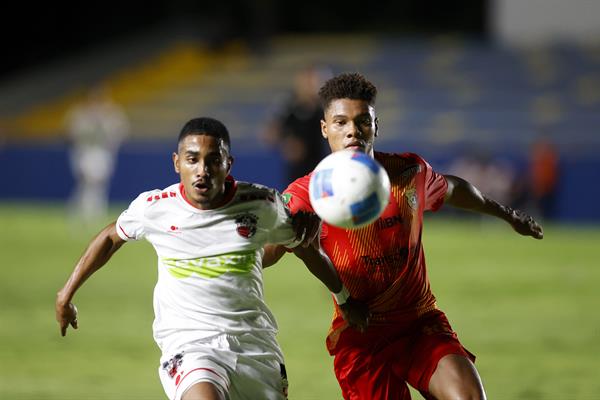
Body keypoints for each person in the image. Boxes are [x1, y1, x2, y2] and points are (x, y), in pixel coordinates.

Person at [263, 73, 544, 400]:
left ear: (375, 125)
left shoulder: (408, 174)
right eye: (340, 122)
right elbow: (267, 251)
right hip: (361, 335)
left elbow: (455, 189)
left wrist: (508, 215)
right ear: (325, 128)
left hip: (420, 324)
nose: (352, 130)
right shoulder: (306, 194)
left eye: (361, 121)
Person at [55, 117, 367, 400]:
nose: (202, 169)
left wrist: (344, 297)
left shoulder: (262, 204)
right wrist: (66, 294)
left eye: (213, 160)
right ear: (177, 163)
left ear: (228, 163)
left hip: (254, 347)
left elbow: (303, 248)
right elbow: (111, 236)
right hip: (191, 346)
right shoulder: (155, 207)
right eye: (192, 160)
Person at [65, 84, 129, 227]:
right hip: (85, 152)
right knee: (90, 183)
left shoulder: (111, 114)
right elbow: (71, 135)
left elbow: (121, 133)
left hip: (103, 153)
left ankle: (89, 213)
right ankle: (83, 214)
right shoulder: (81, 114)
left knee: (96, 186)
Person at [262, 65, 330, 185]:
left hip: (323, 170)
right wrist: (287, 143)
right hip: (296, 174)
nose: (310, 86)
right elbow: (269, 135)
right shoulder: (287, 106)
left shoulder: (327, 107)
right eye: (307, 81)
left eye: (314, 81)